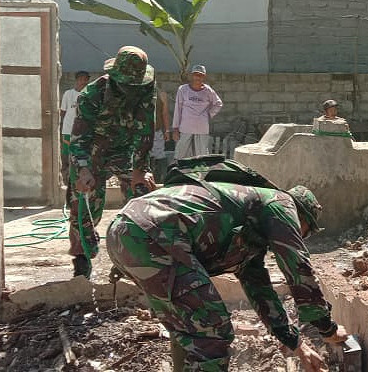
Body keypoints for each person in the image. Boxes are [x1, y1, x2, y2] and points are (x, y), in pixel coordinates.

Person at [106, 179, 348, 372]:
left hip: (126, 235)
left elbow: (259, 289)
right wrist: (326, 328)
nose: (300, 235)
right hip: (152, 236)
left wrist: (297, 345)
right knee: (212, 329)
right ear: (301, 218)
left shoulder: (252, 223)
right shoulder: (282, 204)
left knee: (191, 326)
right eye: (304, 231)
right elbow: (299, 267)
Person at [67, 46, 157, 278]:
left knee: (141, 197)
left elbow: (146, 132)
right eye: (126, 84)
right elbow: (79, 138)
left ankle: (130, 257)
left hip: (124, 150)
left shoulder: (146, 89)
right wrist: (83, 169)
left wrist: (141, 169)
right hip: (93, 151)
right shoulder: (93, 94)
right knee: (84, 203)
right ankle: (82, 258)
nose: (131, 89)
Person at [173, 64, 223, 159]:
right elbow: (177, 109)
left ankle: (201, 173)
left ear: (204, 77)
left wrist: (208, 114)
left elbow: (218, 104)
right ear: (192, 76)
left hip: (202, 128)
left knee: (202, 156)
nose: (198, 77)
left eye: (200, 75)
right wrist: (175, 128)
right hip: (185, 128)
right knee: (180, 155)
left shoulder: (208, 90)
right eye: (196, 75)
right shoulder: (183, 89)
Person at [60, 70, 90, 184]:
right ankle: (65, 177)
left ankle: (79, 177)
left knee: (80, 154)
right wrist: (62, 125)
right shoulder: (68, 94)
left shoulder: (89, 94)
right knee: (66, 153)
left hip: (82, 131)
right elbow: (63, 111)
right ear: (76, 80)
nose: (83, 82)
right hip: (68, 129)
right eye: (81, 79)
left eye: (86, 79)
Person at [151, 89, 171, 183]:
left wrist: (167, 130)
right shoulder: (138, 92)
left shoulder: (161, 94)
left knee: (159, 156)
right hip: (141, 132)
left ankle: (161, 180)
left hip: (156, 131)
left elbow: (165, 113)